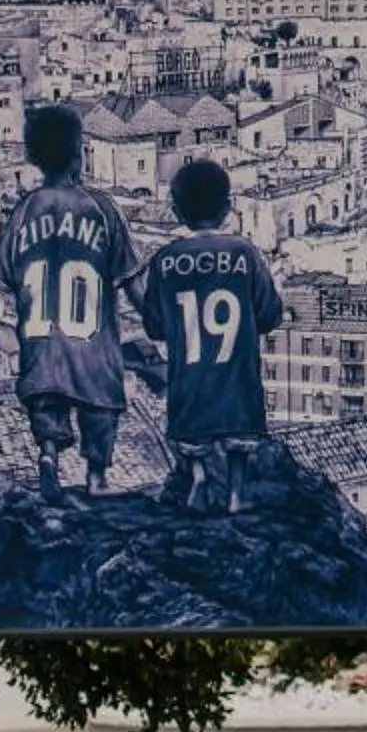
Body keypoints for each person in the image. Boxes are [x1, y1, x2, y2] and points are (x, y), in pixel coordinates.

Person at [0, 102, 143, 503]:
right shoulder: (102, 209)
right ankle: (96, 477)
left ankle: (49, 454)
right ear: (80, 153)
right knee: (100, 406)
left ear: (34, 157)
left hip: (41, 345)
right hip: (92, 345)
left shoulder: (23, 212)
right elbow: (130, 279)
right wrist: (158, 322)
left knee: (46, 403)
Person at [137, 157, 285, 515]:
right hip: (237, 378)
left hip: (189, 380)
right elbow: (270, 314)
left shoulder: (165, 260)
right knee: (238, 440)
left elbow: (153, 325)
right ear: (227, 208)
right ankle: (235, 494)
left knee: (192, 436)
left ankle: (200, 475)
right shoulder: (245, 254)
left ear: (176, 211)